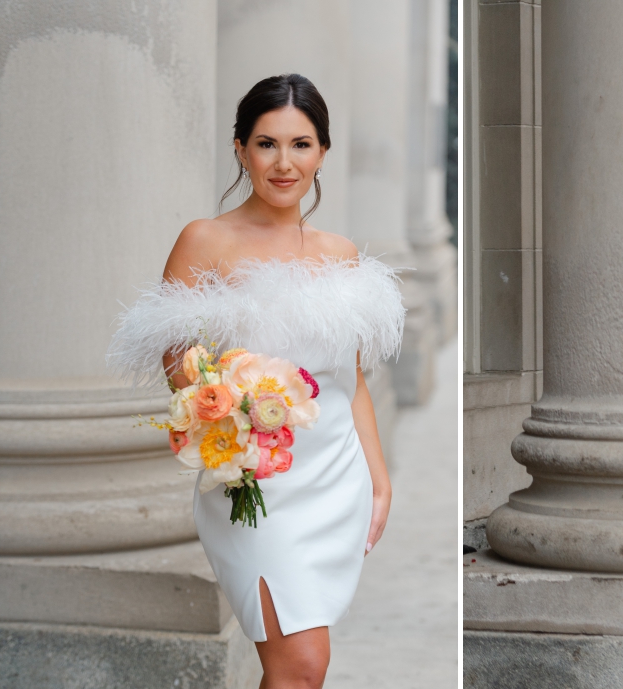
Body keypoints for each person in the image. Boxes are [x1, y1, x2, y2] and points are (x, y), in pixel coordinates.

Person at [108, 74, 405, 688]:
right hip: (252, 478)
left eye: (301, 144)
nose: (284, 162)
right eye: (267, 144)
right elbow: (180, 368)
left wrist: (378, 481)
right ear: (240, 148)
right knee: (302, 663)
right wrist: (234, 410)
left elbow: (350, 379)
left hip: (333, 478)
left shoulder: (341, 253)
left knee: (299, 665)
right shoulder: (204, 241)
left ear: (323, 151)